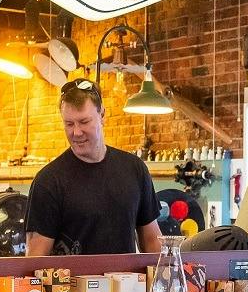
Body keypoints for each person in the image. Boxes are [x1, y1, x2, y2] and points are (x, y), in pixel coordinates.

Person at [24, 77, 164, 257]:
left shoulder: (135, 169)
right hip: (70, 284)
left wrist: (168, 274)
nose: (76, 132)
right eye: (69, 124)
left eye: (84, 122)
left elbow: (152, 241)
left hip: (126, 284)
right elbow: (35, 259)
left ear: (102, 115)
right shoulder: (48, 181)